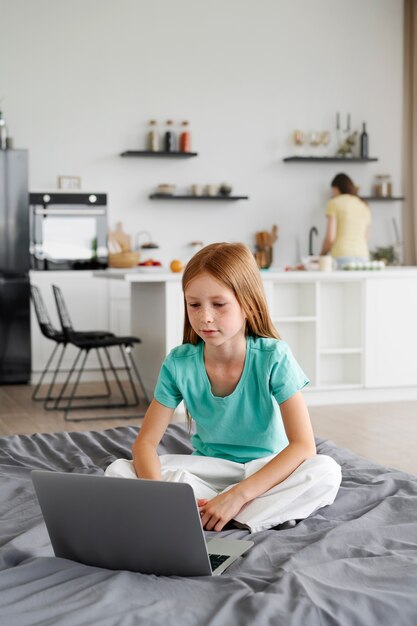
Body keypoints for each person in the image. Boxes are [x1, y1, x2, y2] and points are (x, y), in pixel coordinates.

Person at [106, 243, 341, 533]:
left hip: (264, 471)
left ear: (249, 305)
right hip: (208, 470)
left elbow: (303, 446)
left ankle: (226, 511)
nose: (205, 317)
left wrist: (238, 494)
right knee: (118, 471)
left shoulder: (274, 357)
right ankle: (228, 513)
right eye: (194, 304)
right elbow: (144, 444)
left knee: (325, 471)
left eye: (218, 305)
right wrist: (160, 497)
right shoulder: (179, 363)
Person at [320, 173, 371, 268]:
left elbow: (331, 238)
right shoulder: (364, 205)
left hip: (341, 255)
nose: (333, 194)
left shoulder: (334, 203)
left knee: (340, 283)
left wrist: (322, 254)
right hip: (363, 256)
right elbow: (366, 237)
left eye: (333, 191)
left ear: (336, 188)